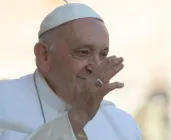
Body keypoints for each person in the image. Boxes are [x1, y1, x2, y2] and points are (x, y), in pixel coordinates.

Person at [0, 3, 141, 140]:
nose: (96, 67)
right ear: (44, 56)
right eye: (83, 52)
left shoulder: (122, 125)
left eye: (103, 55)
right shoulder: (4, 102)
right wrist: (78, 116)